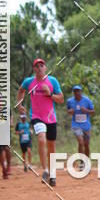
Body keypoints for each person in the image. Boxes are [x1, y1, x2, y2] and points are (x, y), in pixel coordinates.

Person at [16, 58, 63, 187]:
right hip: (36, 116)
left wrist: (50, 94)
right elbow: (21, 90)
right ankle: (45, 170)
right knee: (41, 139)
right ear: (34, 69)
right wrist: (19, 104)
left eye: (41, 66)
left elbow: (61, 99)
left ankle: (52, 174)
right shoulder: (29, 82)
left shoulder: (52, 81)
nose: (39, 68)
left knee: (51, 146)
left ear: (45, 68)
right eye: (37, 66)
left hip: (51, 118)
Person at [66, 85, 94, 167]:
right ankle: (82, 162)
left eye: (78, 91)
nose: (77, 93)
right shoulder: (70, 101)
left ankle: (86, 161)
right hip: (76, 124)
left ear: (81, 92)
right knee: (81, 142)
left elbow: (93, 111)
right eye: (75, 91)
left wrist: (86, 110)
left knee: (86, 144)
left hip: (86, 125)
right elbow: (68, 110)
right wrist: (70, 111)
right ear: (73, 93)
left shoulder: (87, 100)